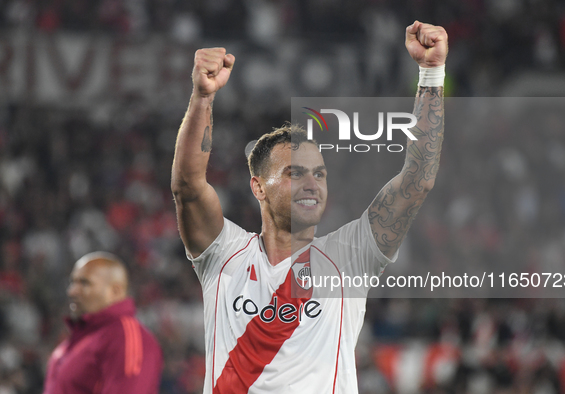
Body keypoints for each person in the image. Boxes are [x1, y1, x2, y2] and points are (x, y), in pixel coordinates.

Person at [171, 20, 447, 393]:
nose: (311, 184)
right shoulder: (223, 255)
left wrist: (431, 73)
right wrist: (202, 97)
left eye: (319, 173)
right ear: (258, 188)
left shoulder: (350, 257)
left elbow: (418, 180)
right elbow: (187, 186)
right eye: (294, 173)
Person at [43, 252, 163, 394]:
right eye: (72, 282)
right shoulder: (76, 342)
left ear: (115, 291)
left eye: (84, 283)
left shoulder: (125, 338)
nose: (72, 292)